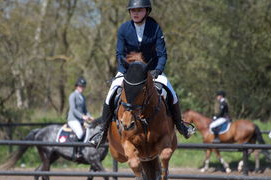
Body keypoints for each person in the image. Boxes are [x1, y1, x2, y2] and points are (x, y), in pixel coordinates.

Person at [89, 0, 194, 148]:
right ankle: (102, 131)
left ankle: (181, 126)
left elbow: (162, 54)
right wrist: (126, 73)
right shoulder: (124, 29)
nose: (136, 13)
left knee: (171, 92)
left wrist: (157, 70)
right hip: (128, 71)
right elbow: (119, 54)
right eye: (133, 11)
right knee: (111, 93)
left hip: (151, 71)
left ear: (146, 11)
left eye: (139, 10)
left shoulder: (155, 28)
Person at [67, 77, 93, 142]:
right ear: (77, 86)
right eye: (80, 86)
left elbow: (85, 110)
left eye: (83, 86)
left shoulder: (82, 97)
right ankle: (75, 151)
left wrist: (90, 116)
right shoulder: (72, 95)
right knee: (80, 133)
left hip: (80, 120)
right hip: (73, 119)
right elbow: (73, 109)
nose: (82, 87)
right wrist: (82, 116)